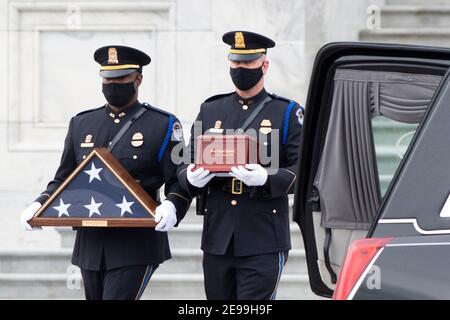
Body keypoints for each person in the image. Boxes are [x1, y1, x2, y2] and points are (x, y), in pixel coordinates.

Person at [20, 45, 190, 300]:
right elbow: (65, 178)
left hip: (135, 243)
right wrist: (40, 203)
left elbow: (178, 179)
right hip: (91, 242)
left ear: (138, 79)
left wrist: (172, 206)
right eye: (107, 78)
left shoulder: (162, 124)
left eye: (120, 78)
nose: (112, 84)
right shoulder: (82, 123)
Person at [177, 31, 304, 300]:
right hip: (218, 235)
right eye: (235, 63)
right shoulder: (211, 109)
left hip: (263, 236)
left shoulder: (286, 112)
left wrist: (267, 178)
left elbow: (303, 169)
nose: (240, 69)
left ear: (264, 65)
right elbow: (186, 159)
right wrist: (190, 177)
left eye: (248, 63)